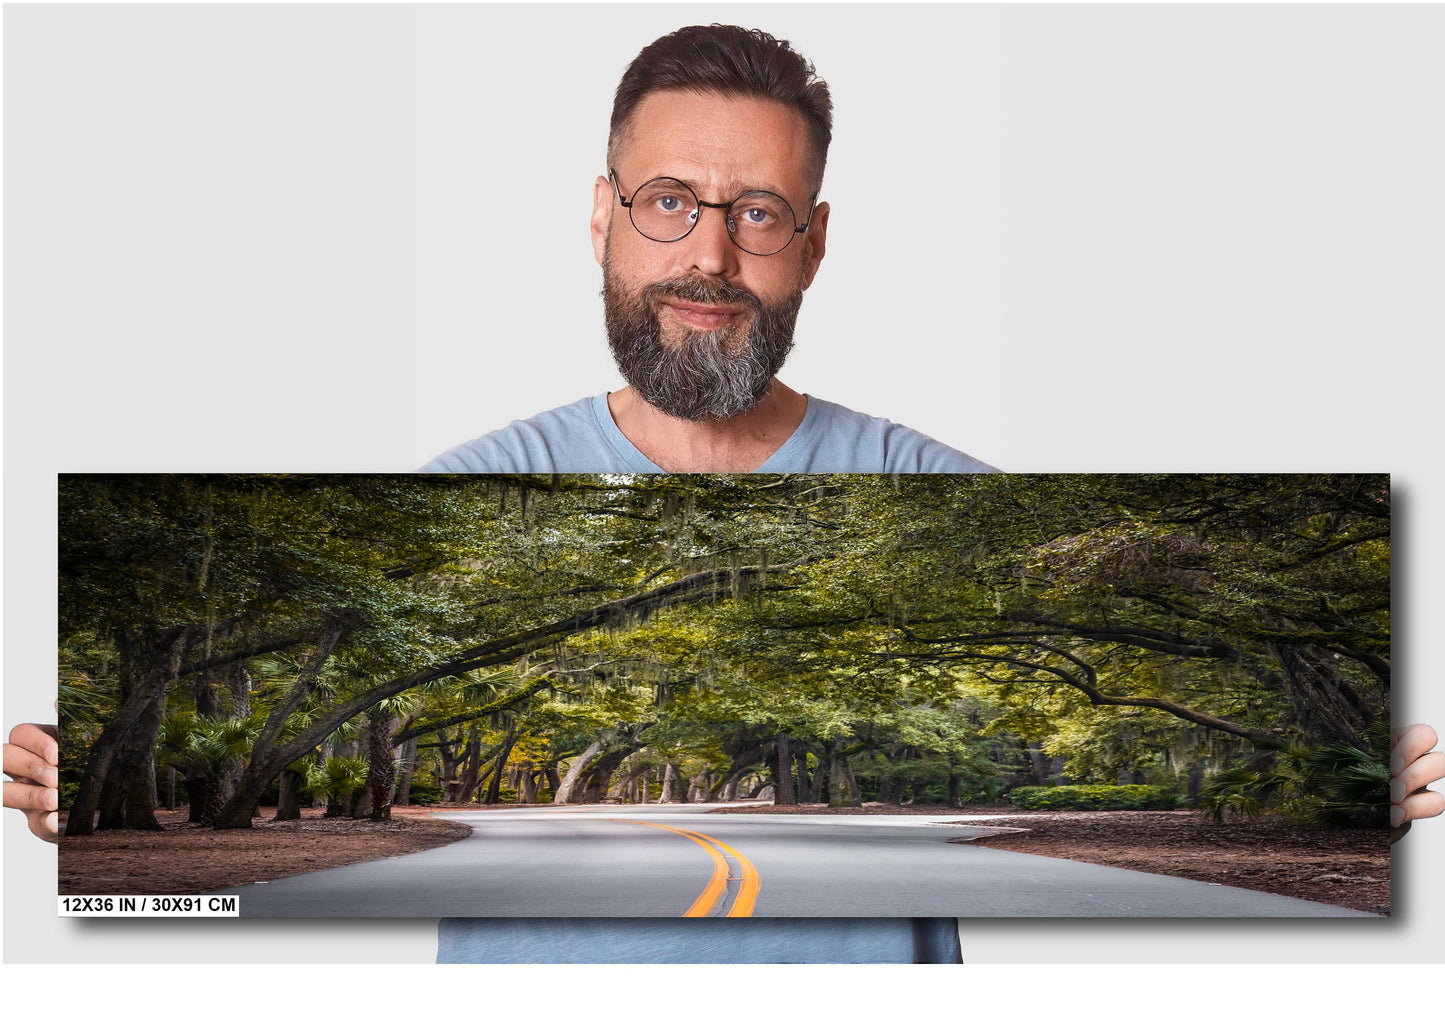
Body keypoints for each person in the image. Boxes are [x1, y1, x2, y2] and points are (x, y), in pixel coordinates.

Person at [10, 23, 1444, 963]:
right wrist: (72, 795)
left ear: (811, 243)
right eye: (668, 202)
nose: (710, 253)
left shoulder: (945, 498)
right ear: (601, 213)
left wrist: (1376, 772)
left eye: (756, 213)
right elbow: (158, 883)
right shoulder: (461, 491)